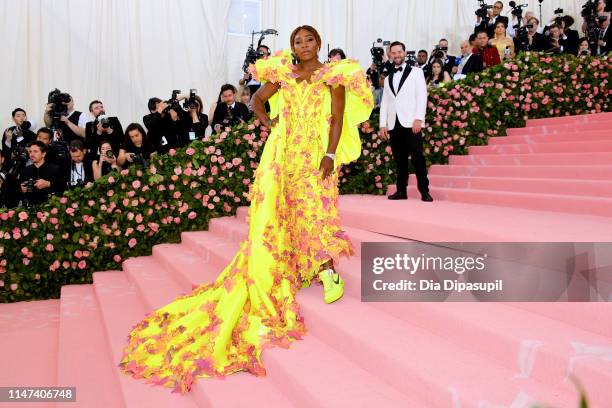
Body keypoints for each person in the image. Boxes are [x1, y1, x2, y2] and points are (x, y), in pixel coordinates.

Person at [119, 24, 373, 393]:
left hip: (315, 152)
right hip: (281, 152)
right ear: (293, 46)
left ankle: (327, 269)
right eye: (297, 41)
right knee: (281, 211)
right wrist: (270, 124)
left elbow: (336, 118)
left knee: (318, 208)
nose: (303, 46)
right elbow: (255, 100)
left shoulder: (333, 75)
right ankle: (299, 265)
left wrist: (331, 154)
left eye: (309, 40)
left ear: (319, 43)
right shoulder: (283, 71)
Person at [379, 41, 432, 202]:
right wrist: (383, 124)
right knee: (399, 159)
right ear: (390, 55)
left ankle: (424, 191)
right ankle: (401, 191)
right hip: (394, 124)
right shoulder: (387, 78)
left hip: (411, 122)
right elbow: (386, 102)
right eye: (393, 53)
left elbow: (422, 96)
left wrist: (419, 118)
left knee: (418, 158)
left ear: (404, 52)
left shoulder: (416, 72)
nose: (397, 55)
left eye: (399, 52)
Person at [19, 141, 62, 206]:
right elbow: (20, 193)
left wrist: (49, 184)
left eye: (35, 151)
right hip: (29, 209)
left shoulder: (55, 169)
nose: (31, 154)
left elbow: (63, 187)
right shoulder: (25, 171)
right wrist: (21, 189)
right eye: (30, 152)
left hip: (50, 208)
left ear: (43, 154)